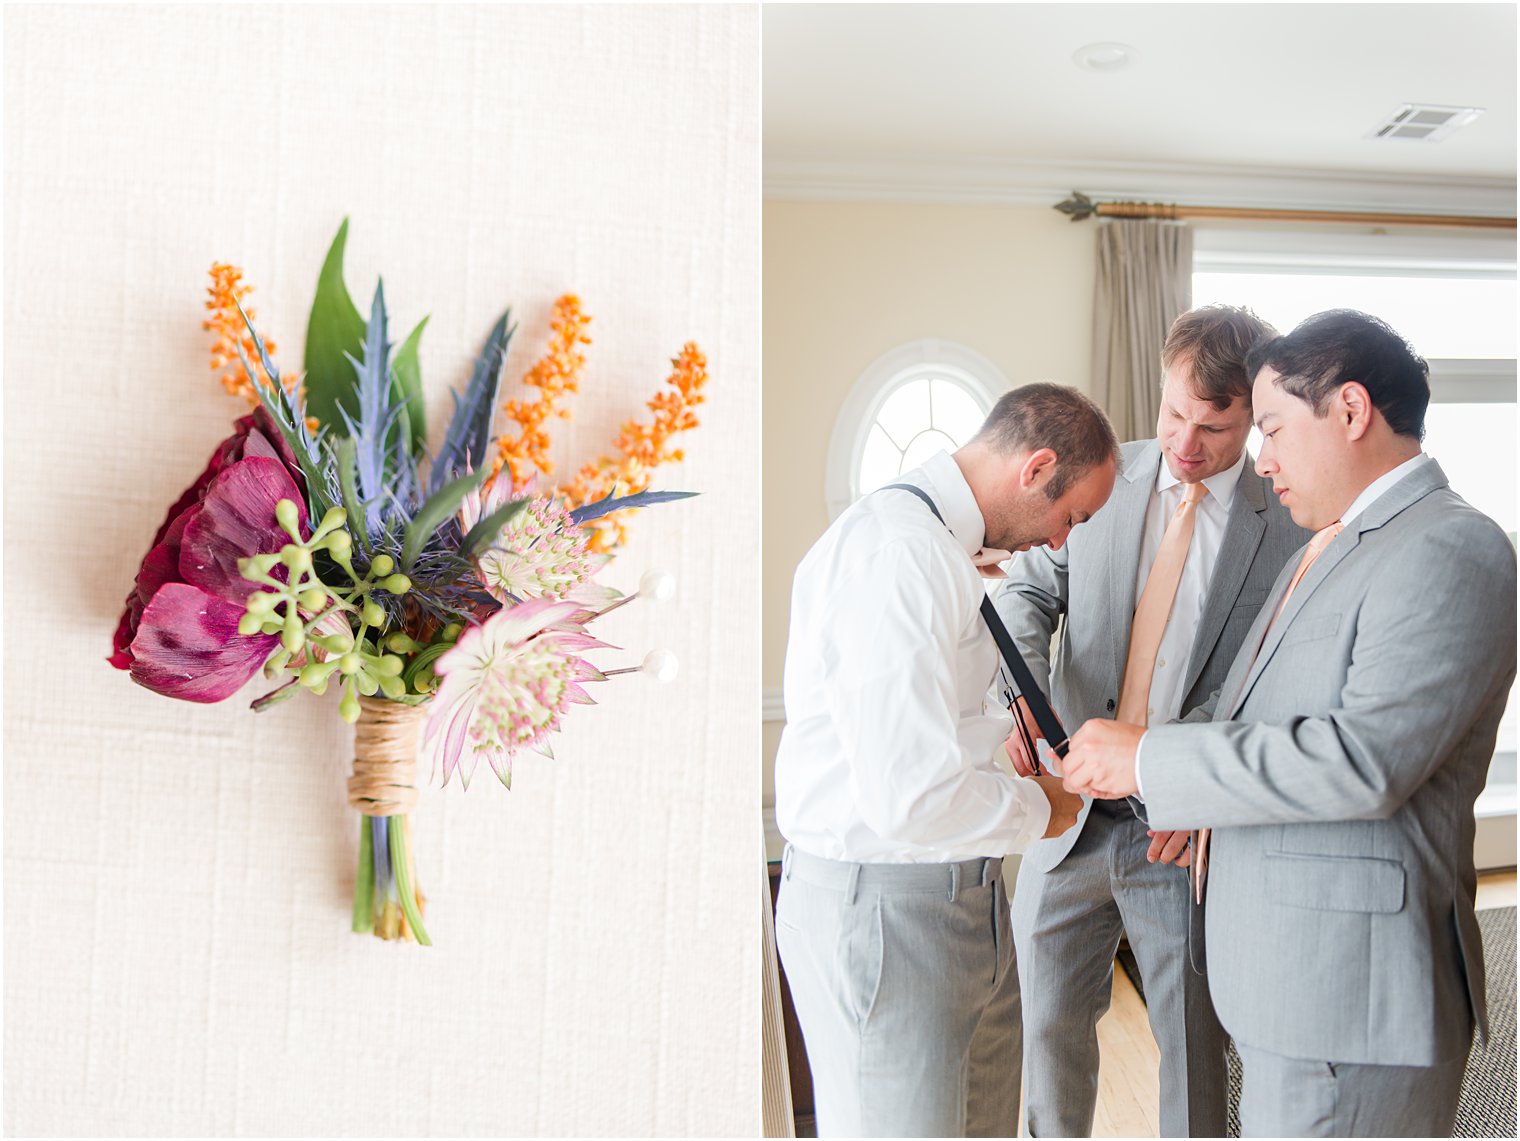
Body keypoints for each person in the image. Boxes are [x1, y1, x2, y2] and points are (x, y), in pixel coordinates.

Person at [1061, 309, 1517, 1138]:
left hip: (1351, 1004)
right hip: (1295, 995)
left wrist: (1154, 763)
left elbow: (1363, 759)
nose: (1260, 460)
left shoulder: (1450, 546)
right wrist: (1190, 786)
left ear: (1349, 411)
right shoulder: (1331, 542)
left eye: (1269, 427)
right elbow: (1246, 703)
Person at [773, 382, 1119, 1137]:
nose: (1060, 543)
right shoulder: (901, 553)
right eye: (1070, 518)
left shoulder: (941, 550)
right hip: (888, 910)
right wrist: (1043, 808)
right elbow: (912, 800)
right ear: (1036, 469)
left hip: (963, 896)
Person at [993, 305, 1307, 1137]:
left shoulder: (1290, 525)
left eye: (1215, 425)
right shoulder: (1100, 478)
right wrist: (1024, 694)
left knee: (1194, 1046)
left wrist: (1194, 779)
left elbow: (1276, 677)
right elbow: (1025, 591)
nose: (1186, 442)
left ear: (1255, 414)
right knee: (1044, 1032)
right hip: (1067, 819)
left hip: (1179, 828)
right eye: (1174, 414)